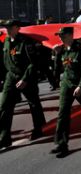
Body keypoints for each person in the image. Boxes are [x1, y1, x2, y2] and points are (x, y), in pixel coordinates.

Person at [51, 27, 81, 158]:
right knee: (62, 113)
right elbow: (57, 71)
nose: (60, 37)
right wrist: (56, 55)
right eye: (59, 35)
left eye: (62, 35)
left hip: (80, 84)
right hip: (67, 84)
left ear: (70, 35)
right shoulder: (62, 50)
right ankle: (62, 144)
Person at [0, 19, 46, 152]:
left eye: (10, 27)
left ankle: (39, 128)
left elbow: (33, 63)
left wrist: (25, 79)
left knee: (33, 103)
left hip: (26, 77)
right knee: (5, 106)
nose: (7, 30)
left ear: (17, 28)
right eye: (6, 28)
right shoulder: (7, 41)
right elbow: (5, 60)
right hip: (11, 77)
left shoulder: (26, 42)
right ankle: (4, 137)